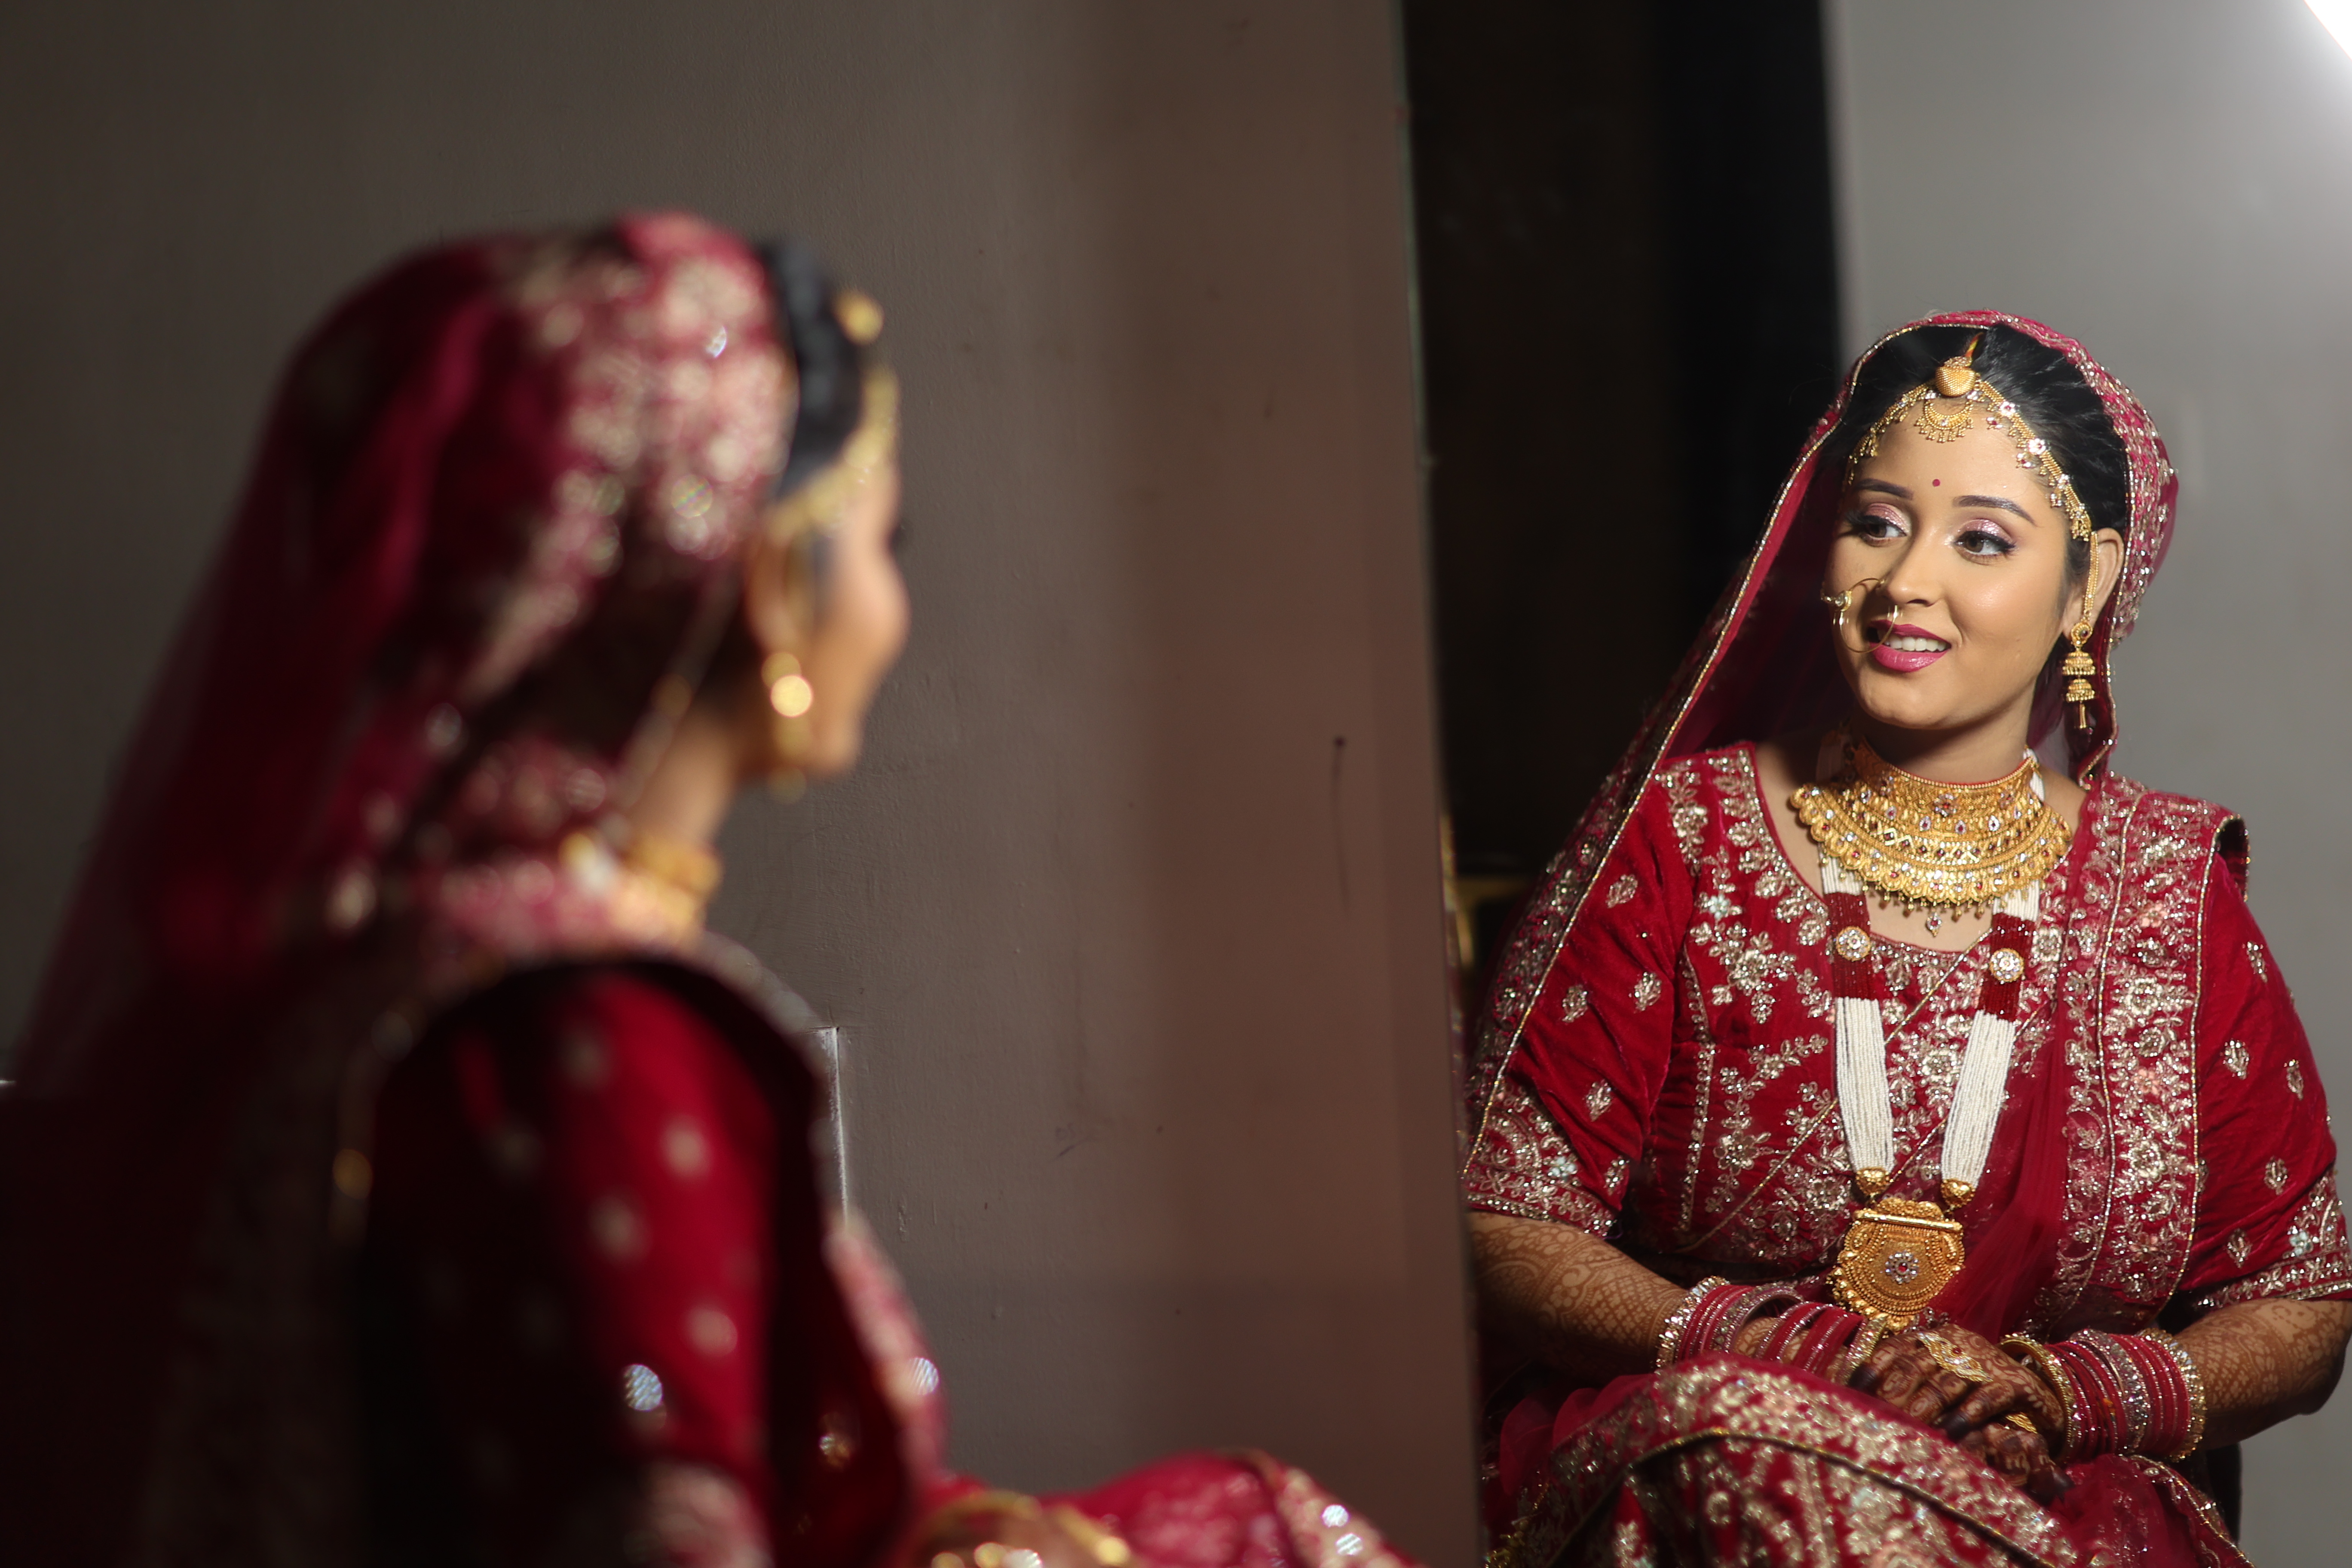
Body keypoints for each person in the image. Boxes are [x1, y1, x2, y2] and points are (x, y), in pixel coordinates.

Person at [0, 214, 1414, 1568]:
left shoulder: (373, 971)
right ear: (766, 586)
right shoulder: (585, 1039)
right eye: (884, 542)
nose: (895, 610)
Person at [1461, 314, 2352, 1567]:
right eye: (1878, 522)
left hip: (2062, 1495)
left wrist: (2066, 1398)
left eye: (1981, 539)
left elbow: (2296, 1300)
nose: (1904, 583)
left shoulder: (2172, 895)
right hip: (1726, 1480)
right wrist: (1779, 1353)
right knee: (1757, 1464)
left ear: (2086, 586)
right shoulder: (1688, 841)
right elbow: (1507, 1222)